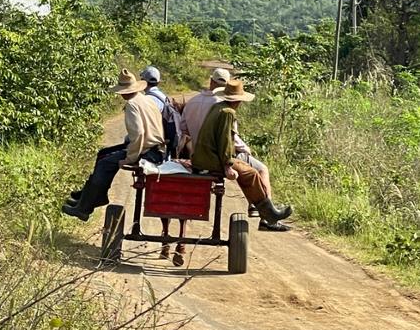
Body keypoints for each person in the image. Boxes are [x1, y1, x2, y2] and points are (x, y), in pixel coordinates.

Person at [181, 69, 289, 231]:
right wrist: (227, 165)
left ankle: (266, 211)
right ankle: (269, 214)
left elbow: (186, 131)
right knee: (252, 173)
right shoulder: (228, 113)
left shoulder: (218, 107)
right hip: (211, 159)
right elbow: (225, 142)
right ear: (238, 100)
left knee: (248, 172)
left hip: (202, 156)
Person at [62, 69, 166, 221]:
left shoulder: (132, 104)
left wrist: (130, 158)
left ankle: (85, 208)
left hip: (147, 151)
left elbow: (138, 135)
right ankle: (88, 197)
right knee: (103, 154)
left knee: (105, 164)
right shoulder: (146, 99)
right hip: (156, 149)